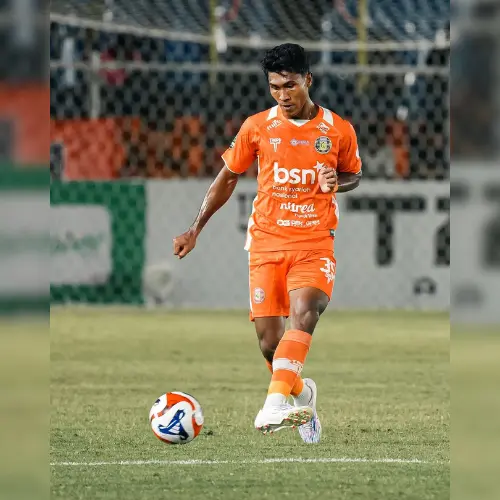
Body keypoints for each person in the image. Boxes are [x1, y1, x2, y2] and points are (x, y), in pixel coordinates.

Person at [173, 43, 362, 443]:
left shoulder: (338, 129)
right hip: (266, 244)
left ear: (307, 80)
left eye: (290, 85)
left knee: (305, 311)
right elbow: (227, 177)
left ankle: (274, 405)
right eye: (274, 87)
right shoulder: (257, 127)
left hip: (314, 241)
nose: (282, 95)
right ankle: (303, 395)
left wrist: (337, 181)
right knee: (270, 346)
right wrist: (195, 228)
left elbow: (353, 174)